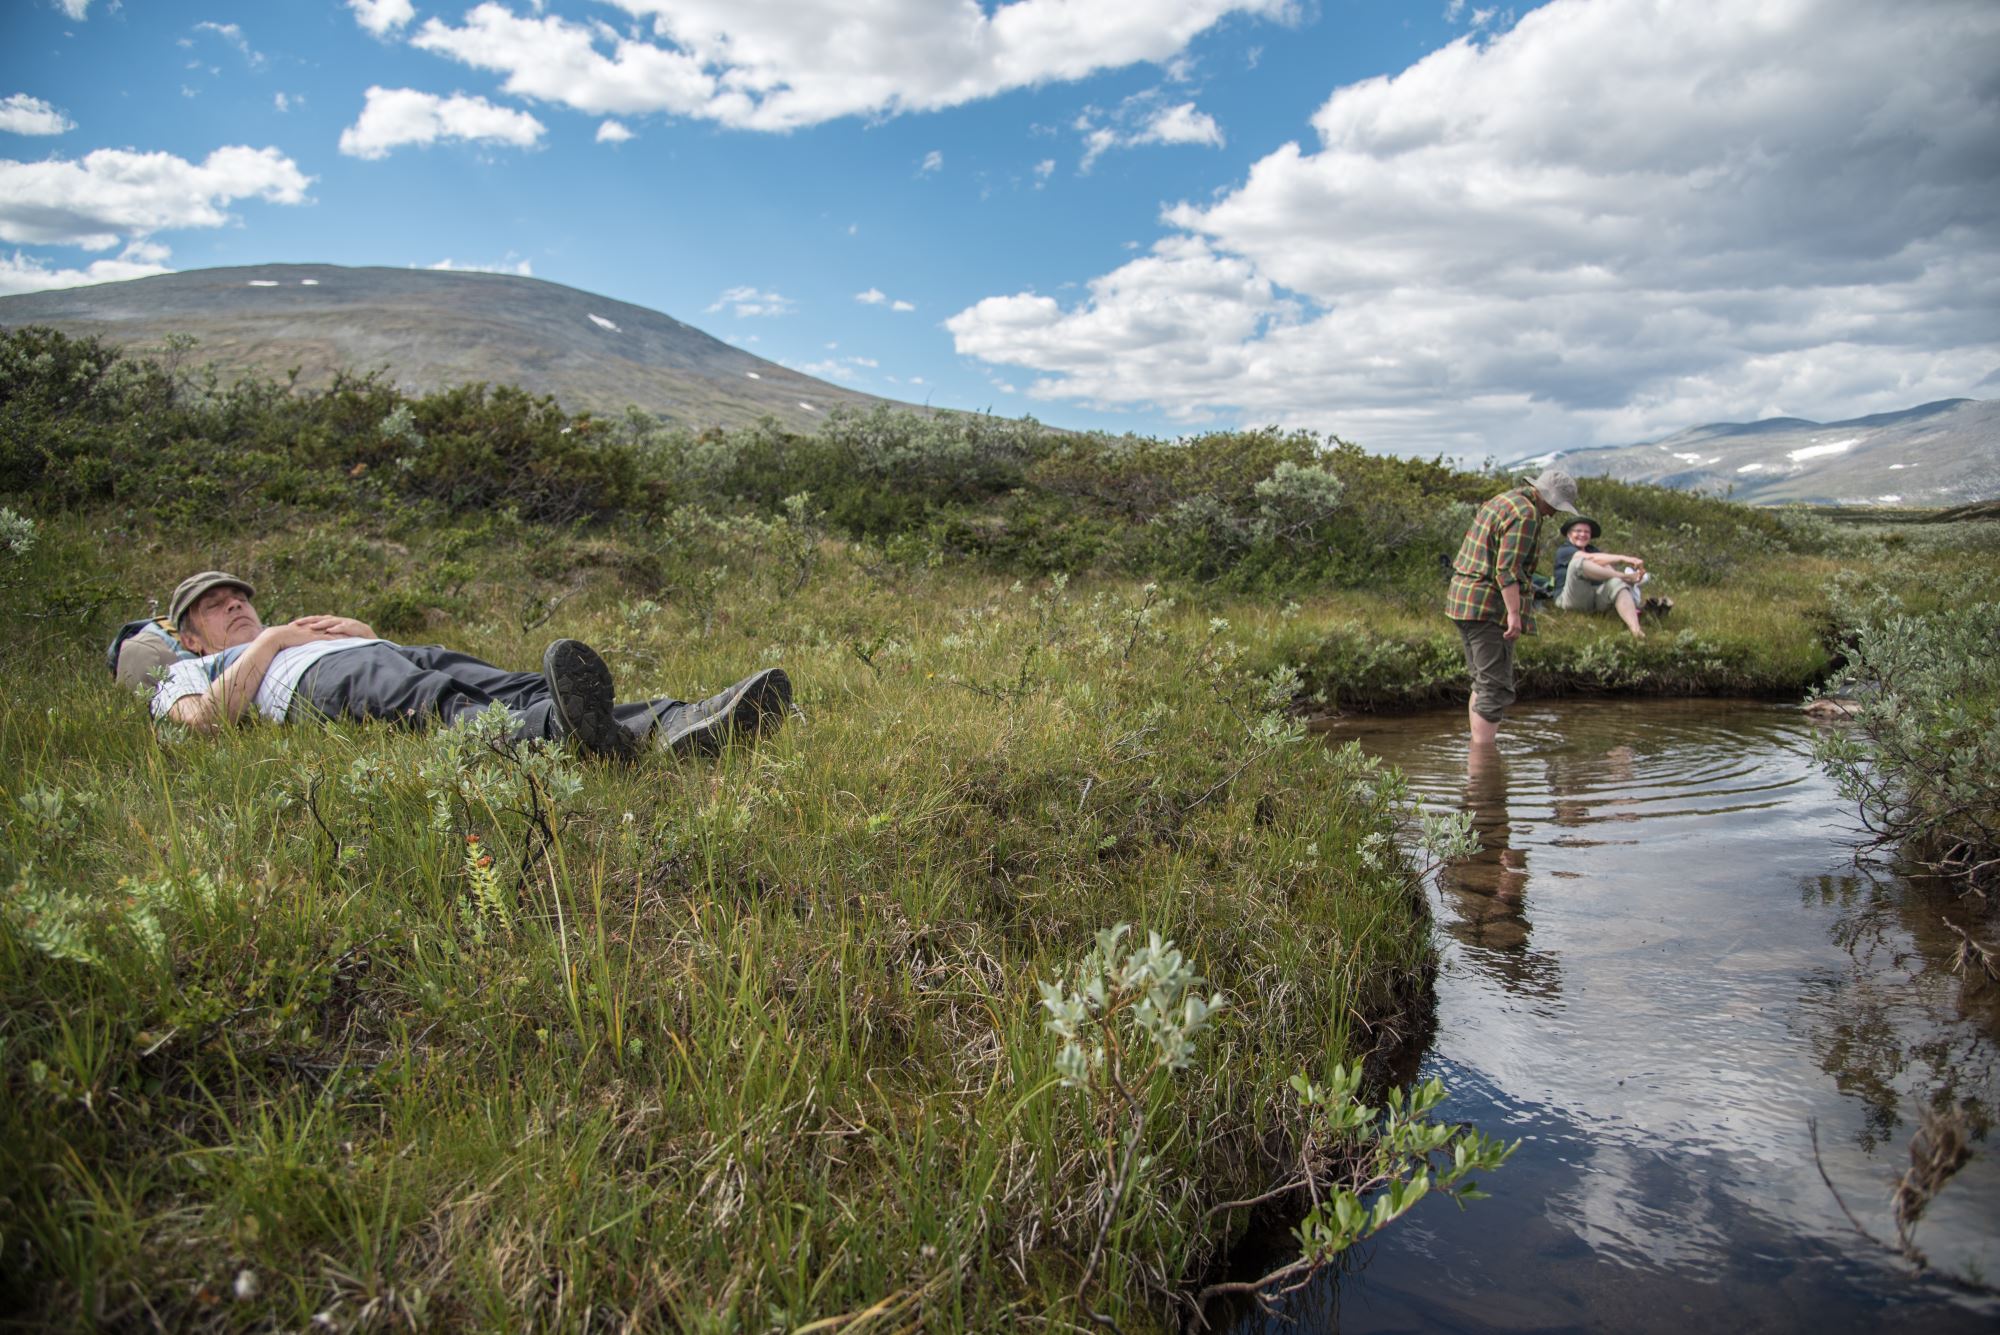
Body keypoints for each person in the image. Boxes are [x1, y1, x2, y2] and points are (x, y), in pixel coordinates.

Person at [149, 570, 789, 758]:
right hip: (319, 683)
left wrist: (365, 633)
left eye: (238, 597)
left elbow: (370, 649)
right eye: (213, 606)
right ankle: (571, 737)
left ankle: (680, 720)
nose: (233, 605)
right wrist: (271, 643)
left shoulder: (295, 630)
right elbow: (203, 722)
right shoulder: (190, 670)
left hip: (381, 654)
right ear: (192, 638)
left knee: (522, 685)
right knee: (436, 704)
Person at [1446, 467, 1580, 745]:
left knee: (1482, 682)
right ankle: (1484, 760)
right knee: (1493, 687)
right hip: (1487, 606)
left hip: (1462, 599)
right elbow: (1507, 570)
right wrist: (1514, 614)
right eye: (1555, 507)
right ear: (1546, 497)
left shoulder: (1504, 500)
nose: (1554, 514)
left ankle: (1477, 752)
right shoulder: (1527, 514)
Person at [1551, 516, 1650, 639]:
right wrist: (1624, 560)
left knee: (1616, 583)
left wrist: (1627, 580)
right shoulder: (1565, 550)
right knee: (1577, 563)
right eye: (1578, 531)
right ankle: (1625, 578)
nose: (1582, 534)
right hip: (1570, 599)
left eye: (1586, 532)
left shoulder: (1593, 550)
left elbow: (1606, 568)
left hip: (1593, 599)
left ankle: (1636, 630)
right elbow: (1591, 558)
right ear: (1569, 534)